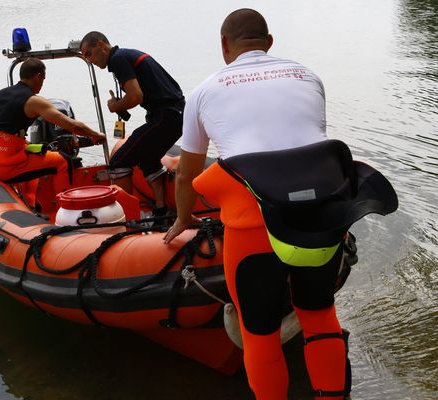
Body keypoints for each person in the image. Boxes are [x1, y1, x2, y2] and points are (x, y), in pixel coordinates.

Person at [164, 9, 349, 400]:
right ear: (269, 42)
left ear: (224, 46)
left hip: (252, 226)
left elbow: (186, 175)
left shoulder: (203, 91)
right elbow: (301, 149)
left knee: (259, 332)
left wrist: (183, 219)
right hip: (320, 216)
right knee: (319, 315)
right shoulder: (308, 76)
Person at [80, 31, 185, 219]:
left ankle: (126, 218)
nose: (89, 61)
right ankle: (162, 209)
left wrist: (115, 106)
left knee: (119, 161)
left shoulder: (118, 59)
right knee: (148, 159)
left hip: (166, 115)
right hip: (175, 114)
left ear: (102, 45)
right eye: (85, 57)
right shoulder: (126, 55)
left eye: (89, 54)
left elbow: (136, 96)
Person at [0, 58, 105, 192]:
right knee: (63, 161)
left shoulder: (1, 93)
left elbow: (6, 128)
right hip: (5, 167)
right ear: (38, 76)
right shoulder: (33, 101)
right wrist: (95, 135)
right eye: (43, 79)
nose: (42, 84)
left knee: (35, 155)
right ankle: (66, 207)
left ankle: (31, 202)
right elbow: (72, 126)